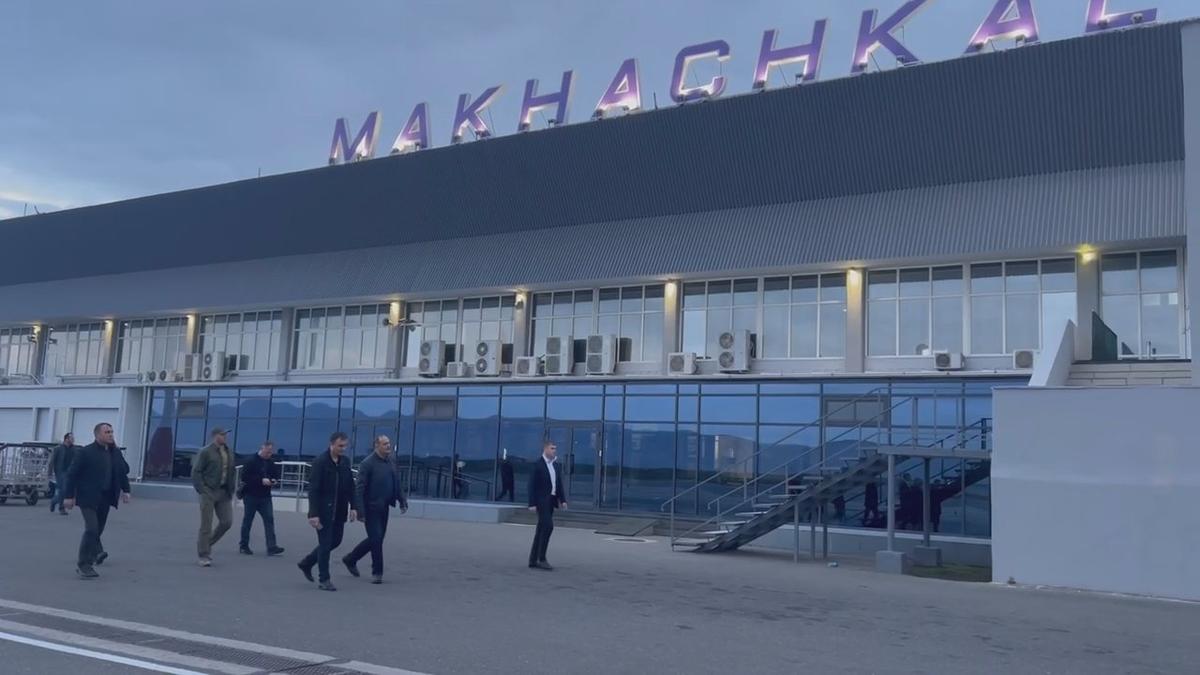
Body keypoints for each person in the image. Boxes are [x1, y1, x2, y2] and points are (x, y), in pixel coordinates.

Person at [63, 423, 131, 579]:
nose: (110, 434)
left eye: (112, 432)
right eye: (107, 432)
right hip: (88, 497)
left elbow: (122, 471)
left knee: (98, 530)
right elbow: (71, 475)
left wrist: (126, 490)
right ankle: (84, 565)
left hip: (106, 498)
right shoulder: (85, 452)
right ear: (97, 435)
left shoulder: (114, 452)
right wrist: (68, 496)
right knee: (92, 529)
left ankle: (94, 553)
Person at [298, 432, 358, 591]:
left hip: (340, 510)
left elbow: (350, 486)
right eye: (340, 446)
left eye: (345, 446)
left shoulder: (345, 462)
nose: (343, 449)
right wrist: (313, 514)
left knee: (335, 541)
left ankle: (307, 562)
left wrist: (354, 507)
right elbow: (313, 489)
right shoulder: (320, 462)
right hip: (324, 511)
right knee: (325, 544)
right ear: (331, 444)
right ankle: (324, 579)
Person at [343, 435, 407, 584]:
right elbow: (359, 489)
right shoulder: (367, 464)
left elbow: (396, 482)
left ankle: (350, 559)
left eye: (389, 443)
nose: (388, 446)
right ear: (376, 446)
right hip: (370, 508)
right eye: (385, 444)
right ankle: (377, 572)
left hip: (384, 506)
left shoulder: (391, 460)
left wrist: (402, 500)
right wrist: (360, 510)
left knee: (377, 539)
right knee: (376, 539)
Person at [192, 428, 236, 567]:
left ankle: (206, 543)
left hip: (224, 492)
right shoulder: (205, 451)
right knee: (206, 524)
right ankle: (204, 555)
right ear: (215, 436)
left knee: (227, 522)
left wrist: (232, 488)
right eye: (222, 434)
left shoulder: (228, 451)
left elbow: (232, 471)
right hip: (209, 491)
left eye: (225, 434)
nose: (225, 437)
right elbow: (196, 471)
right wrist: (202, 490)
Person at [238, 440, 284, 556]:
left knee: (269, 520)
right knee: (248, 521)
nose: (269, 454)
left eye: (270, 452)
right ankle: (244, 545)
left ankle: (272, 547)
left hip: (265, 496)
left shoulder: (270, 462)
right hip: (251, 495)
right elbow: (244, 477)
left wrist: (274, 481)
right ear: (262, 448)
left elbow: (276, 475)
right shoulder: (250, 461)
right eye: (267, 452)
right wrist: (260, 480)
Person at [527, 438, 566, 571]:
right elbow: (531, 485)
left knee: (541, 529)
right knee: (548, 527)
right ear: (545, 449)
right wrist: (532, 503)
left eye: (555, 448)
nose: (554, 451)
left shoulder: (555, 465)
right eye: (552, 448)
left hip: (551, 501)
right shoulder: (537, 465)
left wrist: (563, 500)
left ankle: (533, 559)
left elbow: (558, 484)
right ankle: (541, 558)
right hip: (541, 501)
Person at [48, 433, 78, 515]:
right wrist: (49, 473)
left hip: (70, 472)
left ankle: (54, 501)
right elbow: (52, 461)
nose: (73, 440)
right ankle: (62, 508)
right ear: (66, 439)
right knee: (63, 490)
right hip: (61, 472)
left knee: (65, 491)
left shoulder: (74, 449)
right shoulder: (58, 449)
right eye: (71, 438)